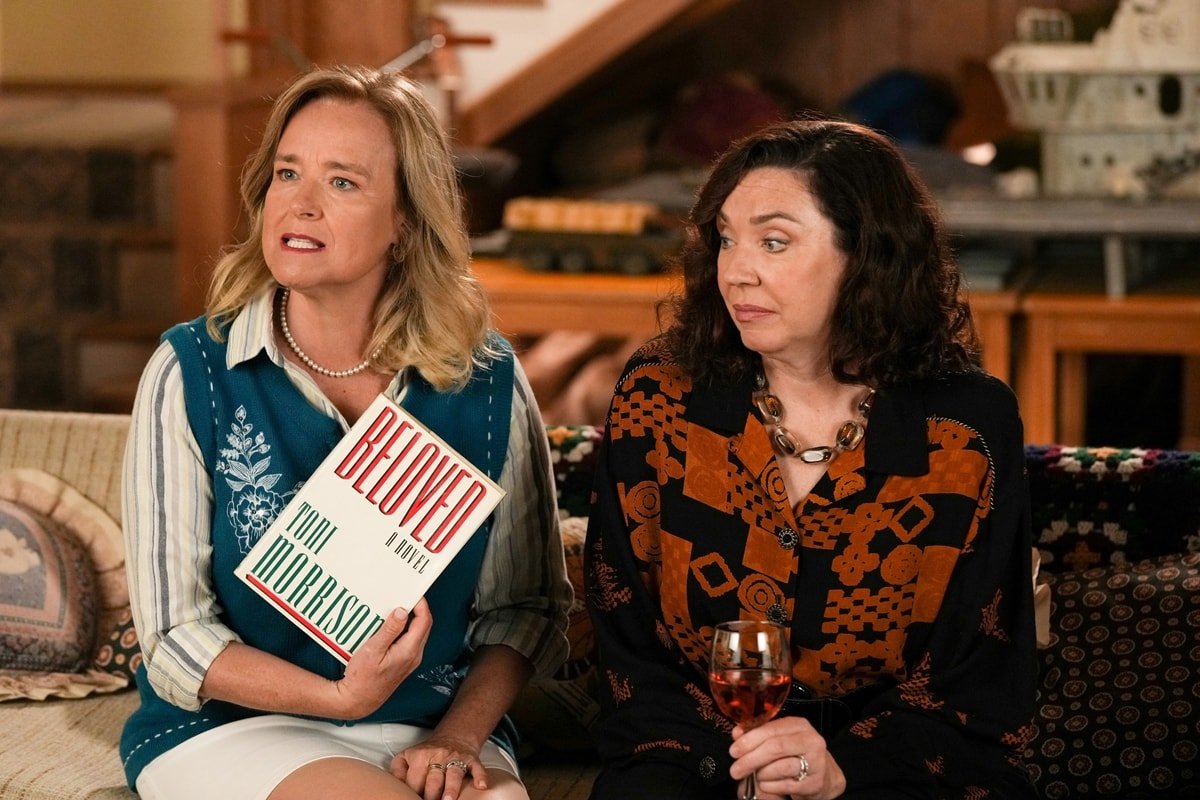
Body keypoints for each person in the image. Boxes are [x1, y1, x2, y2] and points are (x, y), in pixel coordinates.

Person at [120, 65, 571, 800]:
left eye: (341, 182)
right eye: (287, 173)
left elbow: (528, 612)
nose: (300, 203)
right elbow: (174, 640)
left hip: (440, 724)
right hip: (240, 725)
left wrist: (459, 738)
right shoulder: (190, 371)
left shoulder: (487, 380)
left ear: (406, 222)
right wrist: (340, 699)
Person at [584, 118, 1036, 799]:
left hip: (890, 773)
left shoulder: (964, 430)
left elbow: (979, 680)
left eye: (774, 241)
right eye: (726, 239)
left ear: (865, 256)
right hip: (691, 758)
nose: (736, 271)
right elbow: (627, 644)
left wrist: (839, 769)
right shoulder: (660, 395)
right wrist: (733, 764)